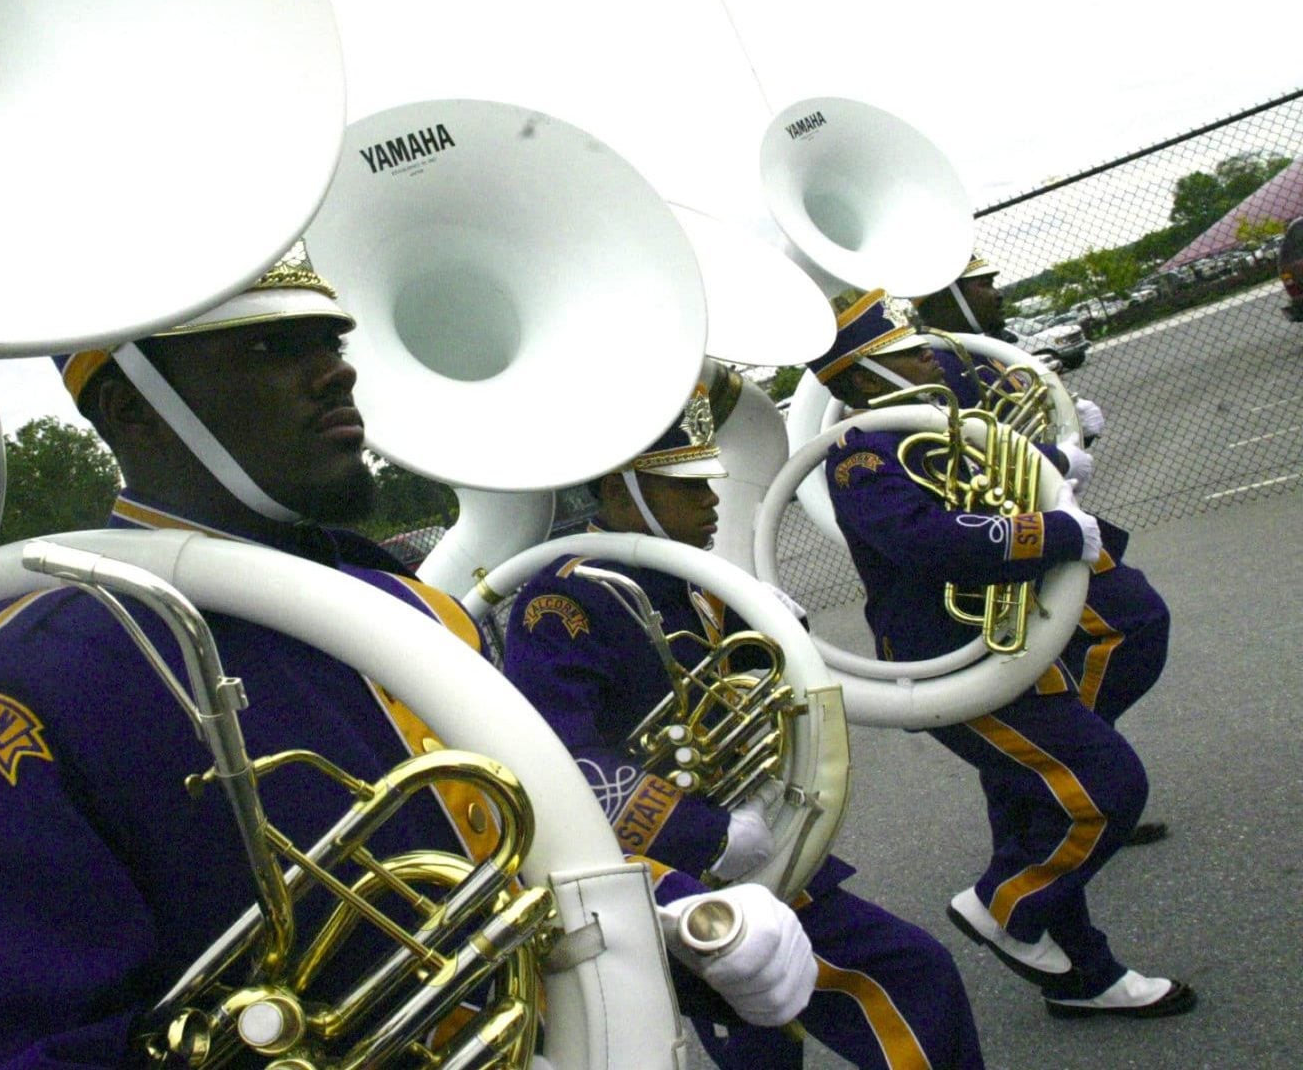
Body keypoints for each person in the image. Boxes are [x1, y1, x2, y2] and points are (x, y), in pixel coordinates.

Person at [0, 244, 818, 1067]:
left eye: (329, 339)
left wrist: (678, 913)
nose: (336, 368)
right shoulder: (32, 675)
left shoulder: (414, 608)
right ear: (131, 410)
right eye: (267, 346)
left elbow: (503, 860)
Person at [501, 379, 984, 1069]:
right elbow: (561, 761)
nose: (712, 501)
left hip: (734, 856)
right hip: (676, 872)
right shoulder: (563, 598)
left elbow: (744, 690)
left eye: (708, 485)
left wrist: (775, 628)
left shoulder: (684, 581)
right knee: (910, 978)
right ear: (621, 491)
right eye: (688, 488)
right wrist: (703, 832)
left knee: (767, 1040)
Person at [806, 290, 1194, 1019]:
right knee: (1104, 787)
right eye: (909, 355)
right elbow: (928, 540)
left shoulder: (927, 427)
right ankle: (1004, 908)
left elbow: (998, 468)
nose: (931, 359)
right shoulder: (860, 453)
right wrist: (1049, 535)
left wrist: (1056, 455)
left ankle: (1084, 978)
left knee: (1048, 797)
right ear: (862, 378)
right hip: (952, 660)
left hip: (1003, 639)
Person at [914, 258, 1174, 845]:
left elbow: (1016, 433)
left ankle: (1063, 791)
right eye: (982, 284)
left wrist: (1073, 432)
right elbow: (965, 460)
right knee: (1135, 624)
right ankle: (1075, 776)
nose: (996, 292)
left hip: (1045, 522)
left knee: (1067, 673)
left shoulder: (984, 350)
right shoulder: (936, 363)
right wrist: (1053, 458)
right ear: (947, 291)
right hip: (1018, 537)